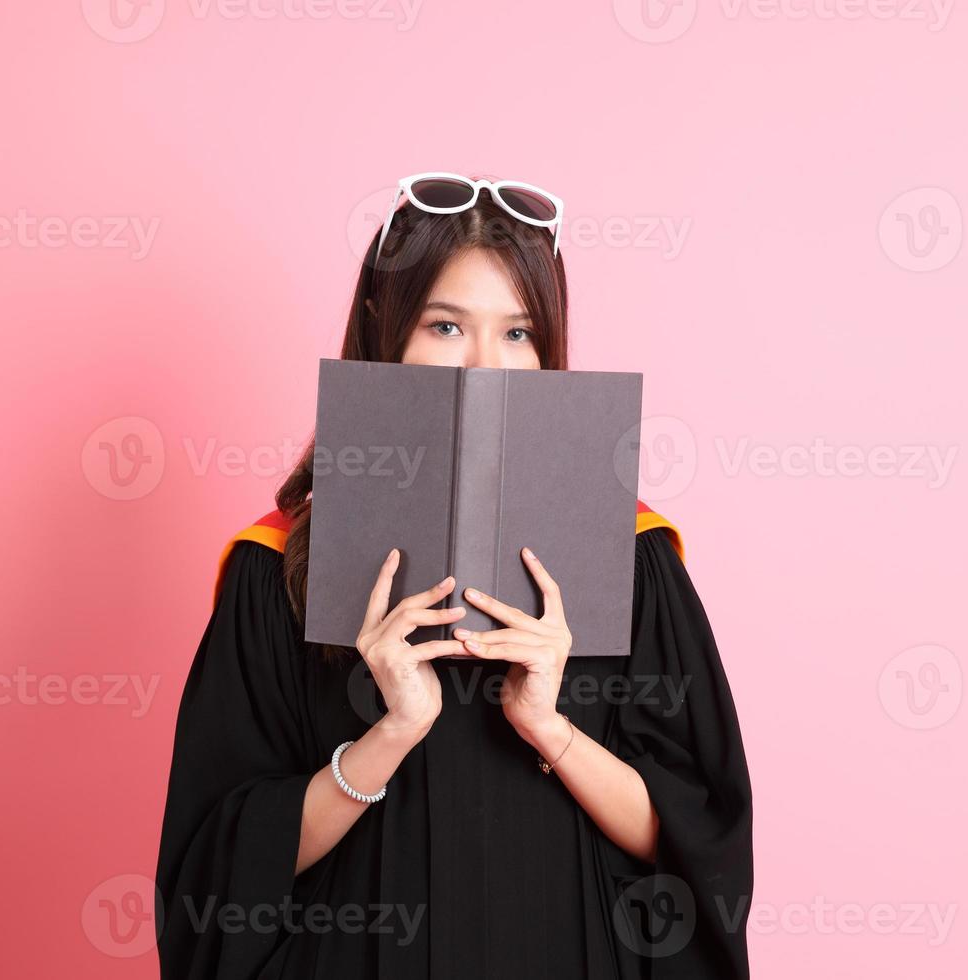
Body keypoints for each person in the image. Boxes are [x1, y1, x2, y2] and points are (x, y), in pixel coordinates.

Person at [155, 173, 753, 979]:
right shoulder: (280, 566)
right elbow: (219, 865)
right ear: (384, 325)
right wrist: (389, 734)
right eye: (445, 325)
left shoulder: (627, 551)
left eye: (518, 334)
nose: (484, 367)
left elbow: (696, 835)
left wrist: (550, 725)